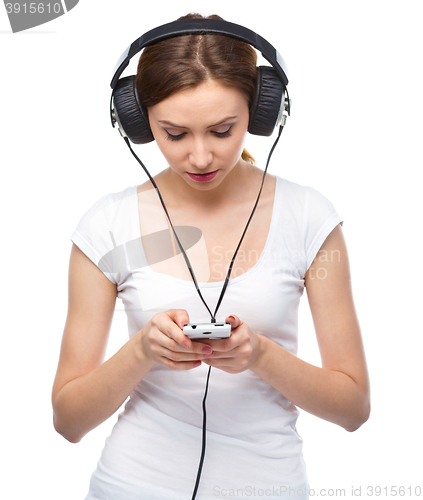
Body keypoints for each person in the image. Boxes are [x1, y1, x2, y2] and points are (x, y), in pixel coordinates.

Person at [51, 12, 370, 500]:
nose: (200, 157)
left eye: (223, 130)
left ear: (261, 113)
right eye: (174, 134)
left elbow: (353, 409)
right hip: (128, 486)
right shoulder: (106, 225)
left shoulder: (308, 216)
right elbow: (68, 422)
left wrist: (259, 354)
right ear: (136, 122)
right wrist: (141, 352)